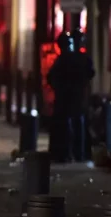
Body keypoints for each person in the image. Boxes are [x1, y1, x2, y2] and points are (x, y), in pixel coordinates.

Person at [47, 30, 95, 162]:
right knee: (78, 124)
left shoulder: (64, 59)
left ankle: (67, 154)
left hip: (66, 98)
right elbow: (90, 74)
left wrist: (59, 87)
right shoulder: (82, 59)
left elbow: (51, 77)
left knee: (68, 125)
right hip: (77, 97)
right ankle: (79, 153)